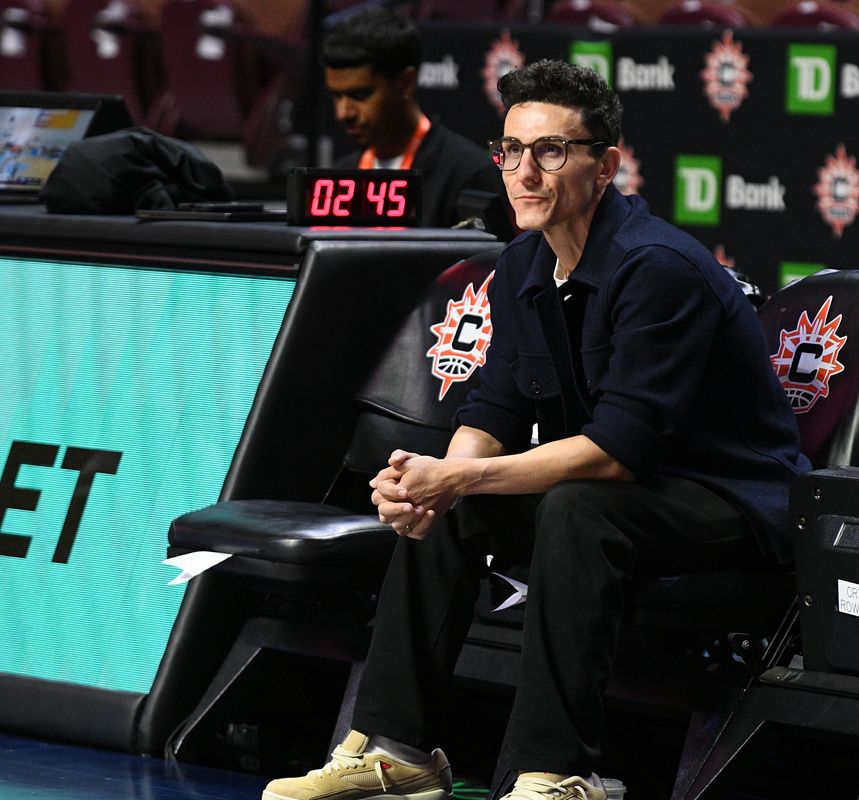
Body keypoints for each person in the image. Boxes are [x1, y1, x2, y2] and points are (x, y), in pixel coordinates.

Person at [263, 59, 808, 800]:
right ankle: (397, 751)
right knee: (455, 506)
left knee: (577, 507)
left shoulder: (657, 269)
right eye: (511, 151)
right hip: (632, 490)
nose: (524, 171)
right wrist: (432, 490)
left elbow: (617, 454)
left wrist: (457, 477)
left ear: (605, 164)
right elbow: (493, 408)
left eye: (550, 151)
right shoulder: (523, 260)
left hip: (733, 498)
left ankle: (551, 772)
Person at [321, 5, 511, 235]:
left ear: (406, 82)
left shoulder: (469, 175)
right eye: (337, 96)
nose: (343, 113)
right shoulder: (340, 176)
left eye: (360, 95)